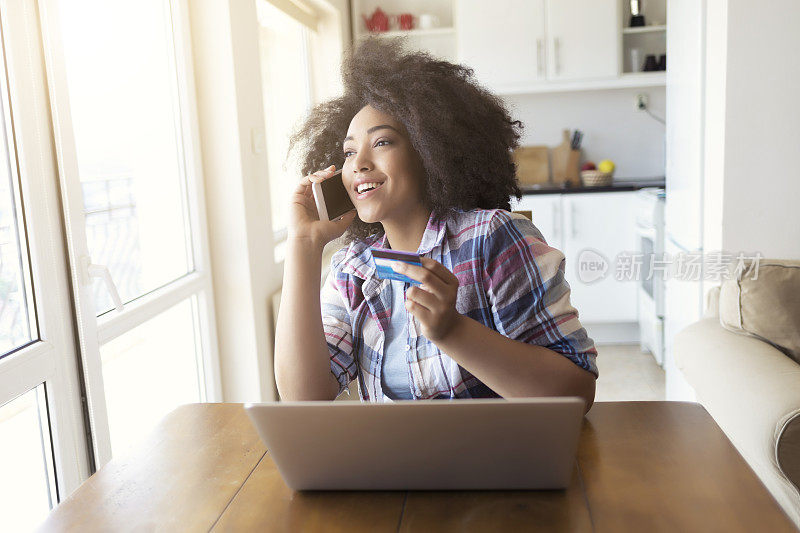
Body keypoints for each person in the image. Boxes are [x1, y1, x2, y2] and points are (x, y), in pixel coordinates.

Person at [274, 37, 597, 411]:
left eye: (381, 143)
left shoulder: (491, 238)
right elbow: (303, 398)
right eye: (348, 152)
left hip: (493, 465)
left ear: (430, 151)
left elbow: (577, 393)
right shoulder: (353, 269)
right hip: (391, 468)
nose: (358, 162)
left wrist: (454, 331)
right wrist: (302, 244)